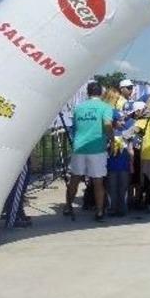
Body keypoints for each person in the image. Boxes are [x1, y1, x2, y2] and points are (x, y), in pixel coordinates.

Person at [65, 82, 113, 221]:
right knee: (98, 181)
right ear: (101, 93)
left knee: (74, 179)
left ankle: (68, 206)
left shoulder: (78, 108)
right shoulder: (105, 107)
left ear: (88, 92)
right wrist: (112, 138)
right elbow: (107, 124)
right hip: (97, 148)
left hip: (79, 147)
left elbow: (75, 127)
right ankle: (99, 211)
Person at [106, 110, 134, 217]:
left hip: (124, 166)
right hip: (111, 166)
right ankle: (112, 208)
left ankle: (123, 208)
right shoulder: (107, 133)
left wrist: (131, 163)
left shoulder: (126, 132)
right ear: (113, 121)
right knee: (112, 188)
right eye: (120, 120)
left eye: (123, 120)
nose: (123, 122)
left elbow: (130, 149)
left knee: (123, 188)